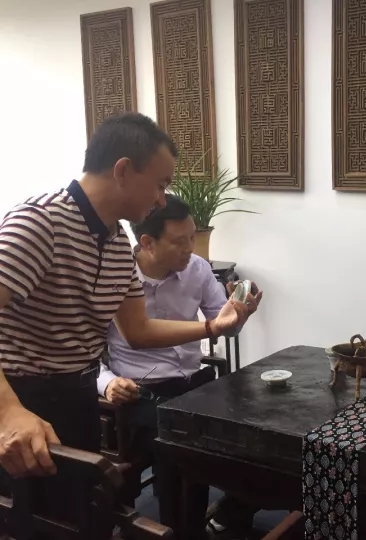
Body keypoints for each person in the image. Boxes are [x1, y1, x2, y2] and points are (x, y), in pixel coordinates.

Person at [0, 113, 249, 500]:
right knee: (31, 518)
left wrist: (213, 327)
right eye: (160, 184)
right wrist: (8, 412)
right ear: (123, 171)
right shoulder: (39, 223)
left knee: (79, 511)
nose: (161, 199)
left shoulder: (116, 243)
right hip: (22, 400)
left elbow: (139, 330)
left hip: (78, 396)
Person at [96, 193, 260, 538]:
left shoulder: (197, 268)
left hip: (194, 383)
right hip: (142, 391)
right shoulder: (114, 275)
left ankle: (233, 514)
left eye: (192, 238)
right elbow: (86, 353)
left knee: (255, 427)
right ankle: (181, 530)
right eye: (180, 241)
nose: (190, 248)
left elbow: (223, 325)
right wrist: (107, 382)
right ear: (147, 242)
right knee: (180, 443)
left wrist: (239, 314)